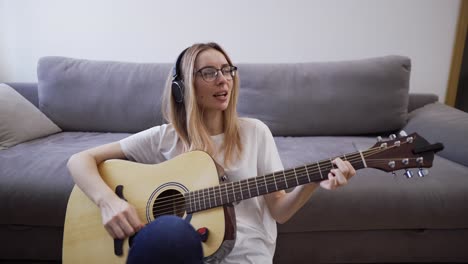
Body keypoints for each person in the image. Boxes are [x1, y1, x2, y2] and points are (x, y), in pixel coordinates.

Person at [67, 42, 356, 264]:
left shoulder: (255, 132)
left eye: (228, 70)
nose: (223, 79)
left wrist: (313, 181)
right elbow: (79, 160)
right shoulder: (164, 138)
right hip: (183, 254)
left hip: (244, 255)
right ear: (183, 88)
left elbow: (279, 212)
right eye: (209, 72)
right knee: (171, 232)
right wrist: (108, 202)